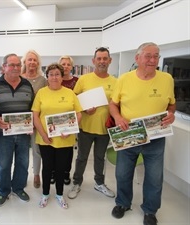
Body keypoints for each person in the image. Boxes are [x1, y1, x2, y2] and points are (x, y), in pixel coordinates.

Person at [109, 42, 176, 225]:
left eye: (156, 56)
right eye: (148, 56)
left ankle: (150, 210)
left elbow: (171, 104)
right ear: (137, 58)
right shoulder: (124, 79)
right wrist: (117, 117)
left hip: (156, 137)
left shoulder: (167, 79)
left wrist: (171, 114)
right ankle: (123, 203)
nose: (152, 60)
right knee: (122, 174)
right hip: (129, 134)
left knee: (154, 178)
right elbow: (113, 104)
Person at [67, 47, 116, 199]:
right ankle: (77, 183)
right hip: (85, 128)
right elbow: (74, 100)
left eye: (105, 58)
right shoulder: (84, 79)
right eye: (99, 58)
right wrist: (84, 109)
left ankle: (99, 183)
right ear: (93, 61)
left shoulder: (116, 81)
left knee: (100, 158)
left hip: (104, 128)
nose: (102, 61)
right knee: (81, 157)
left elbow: (118, 103)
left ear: (110, 61)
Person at [32, 63, 82, 209]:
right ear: (47, 77)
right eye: (51, 74)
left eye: (57, 74)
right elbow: (35, 115)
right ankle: (45, 194)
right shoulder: (41, 92)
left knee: (61, 168)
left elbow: (78, 114)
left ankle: (60, 194)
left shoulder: (70, 93)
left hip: (65, 138)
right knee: (47, 167)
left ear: (62, 77)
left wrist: (70, 130)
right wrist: (42, 134)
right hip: (45, 138)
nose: (54, 77)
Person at [0, 53, 34, 207]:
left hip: (23, 133)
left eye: (18, 65)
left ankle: (19, 188)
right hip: (3, 133)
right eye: (11, 65)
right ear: (4, 67)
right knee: (4, 163)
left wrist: (31, 124)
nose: (15, 68)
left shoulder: (27, 84)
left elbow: (32, 108)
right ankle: (4, 190)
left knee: (23, 162)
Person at [21, 50, 47, 189]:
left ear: (38, 63)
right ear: (24, 62)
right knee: (22, 150)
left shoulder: (43, 80)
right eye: (29, 59)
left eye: (34, 60)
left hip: (37, 119)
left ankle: (36, 175)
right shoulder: (19, 77)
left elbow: (45, 99)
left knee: (36, 149)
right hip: (21, 120)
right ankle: (22, 176)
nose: (32, 62)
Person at [57, 55, 79, 185]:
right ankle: (54, 172)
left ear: (72, 66)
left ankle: (66, 172)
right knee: (54, 147)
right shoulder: (53, 80)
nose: (65, 66)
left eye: (68, 64)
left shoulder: (77, 81)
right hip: (54, 119)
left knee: (68, 148)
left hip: (71, 120)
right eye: (63, 64)